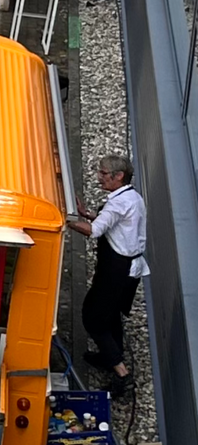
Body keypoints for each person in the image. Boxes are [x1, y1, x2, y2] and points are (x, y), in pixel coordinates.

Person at [67, 154, 149, 394]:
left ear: (118, 176)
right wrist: (88, 213)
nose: (99, 177)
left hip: (116, 270)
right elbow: (114, 224)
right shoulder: (132, 197)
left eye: (103, 173)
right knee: (111, 315)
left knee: (93, 317)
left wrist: (67, 219)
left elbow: (93, 232)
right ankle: (110, 355)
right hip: (127, 270)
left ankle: (122, 374)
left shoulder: (117, 202)